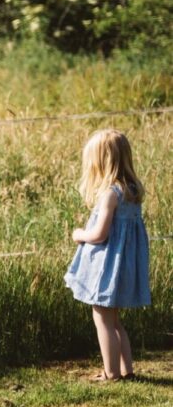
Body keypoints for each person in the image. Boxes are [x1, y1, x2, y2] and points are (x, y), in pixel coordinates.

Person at [66, 129, 151, 382]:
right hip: (123, 266)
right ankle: (127, 370)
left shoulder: (110, 195)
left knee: (102, 319)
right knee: (115, 322)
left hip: (106, 267)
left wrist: (80, 234)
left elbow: (100, 234)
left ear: (100, 161)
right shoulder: (133, 191)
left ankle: (111, 373)